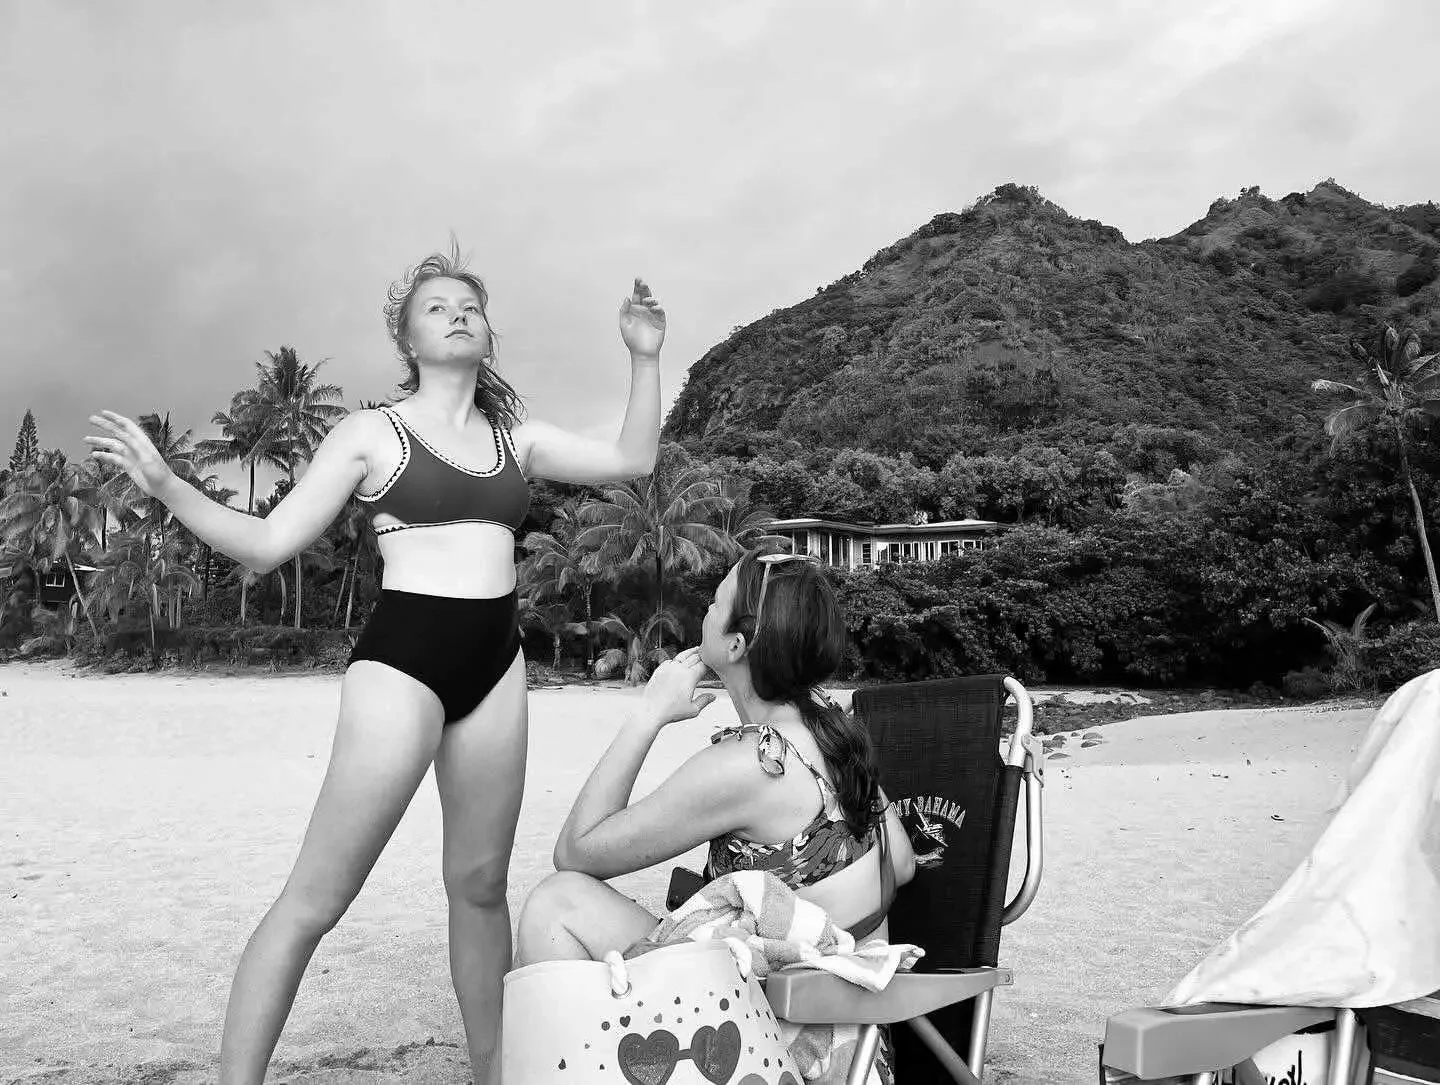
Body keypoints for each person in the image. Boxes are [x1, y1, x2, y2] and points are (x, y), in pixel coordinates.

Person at [84, 247, 666, 1085]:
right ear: (408, 340)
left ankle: (493, 1075)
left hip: (496, 664)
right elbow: (268, 543)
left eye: (470, 306)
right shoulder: (371, 434)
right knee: (317, 898)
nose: (457, 314)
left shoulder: (518, 441)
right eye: (436, 307)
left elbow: (633, 459)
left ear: (487, 334)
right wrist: (170, 487)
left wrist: (644, 356)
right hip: (403, 666)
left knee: (480, 885)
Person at [514, 549, 916, 967]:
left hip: (775, 1002)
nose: (706, 610)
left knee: (555, 903)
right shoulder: (833, 732)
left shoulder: (756, 763)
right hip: (853, 994)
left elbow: (575, 852)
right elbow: (902, 864)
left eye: (716, 603)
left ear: (736, 644)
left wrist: (649, 713)